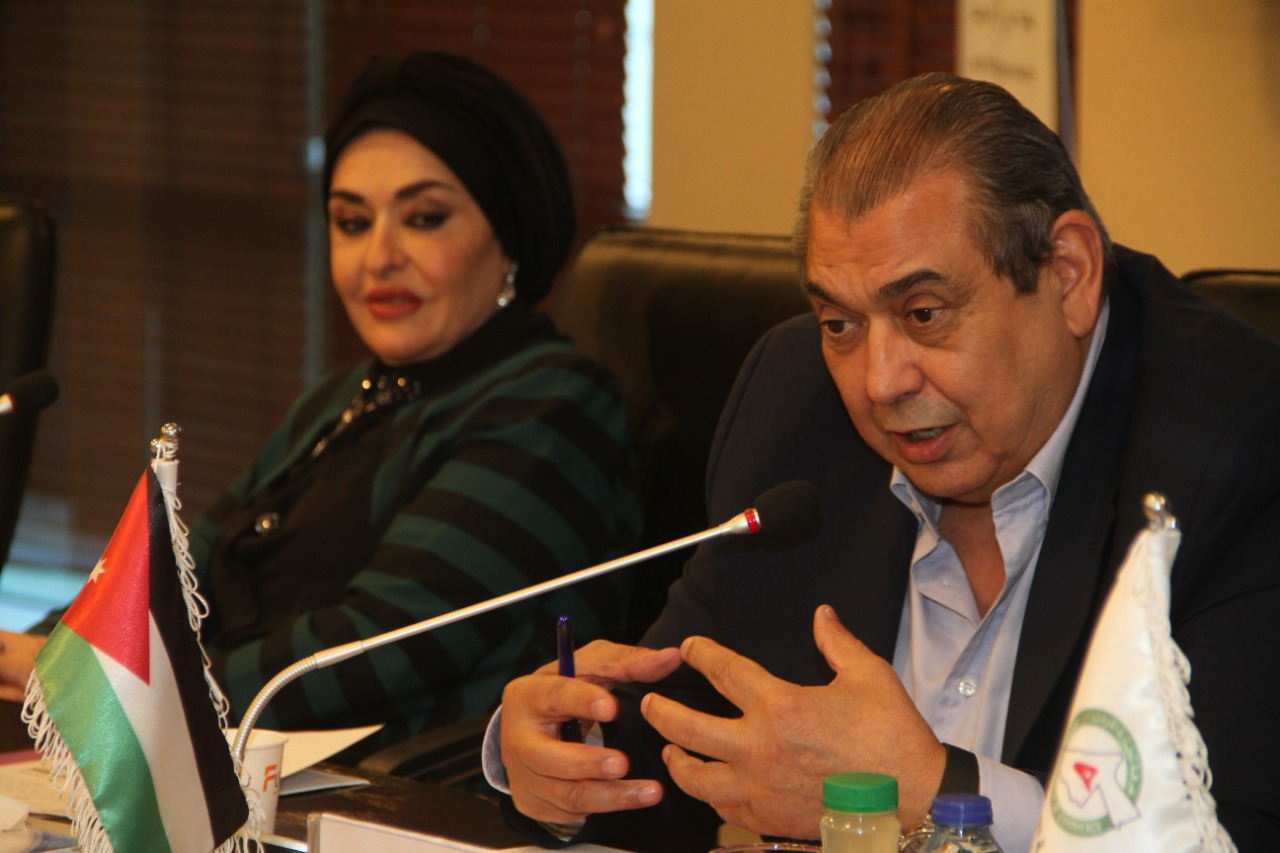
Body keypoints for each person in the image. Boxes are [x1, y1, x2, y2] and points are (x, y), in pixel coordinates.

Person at [487, 73, 1280, 852]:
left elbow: (1229, 829)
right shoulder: (792, 408)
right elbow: (694, 727)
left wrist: (930, 789)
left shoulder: (1235, 444)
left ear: (1068, 274)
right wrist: (567, 752)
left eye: (924, 313)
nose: (879, 382)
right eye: (840, 323)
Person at [0, 51, 640, 753]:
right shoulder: (341, 396)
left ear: (511, 236)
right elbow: (180, 572)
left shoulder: (554, 407)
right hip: (230, 761)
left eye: (424, 218)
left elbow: (377, 651)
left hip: (402, 791)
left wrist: (112, 687)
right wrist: (47, 652)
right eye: (352, 222)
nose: (380, 257)